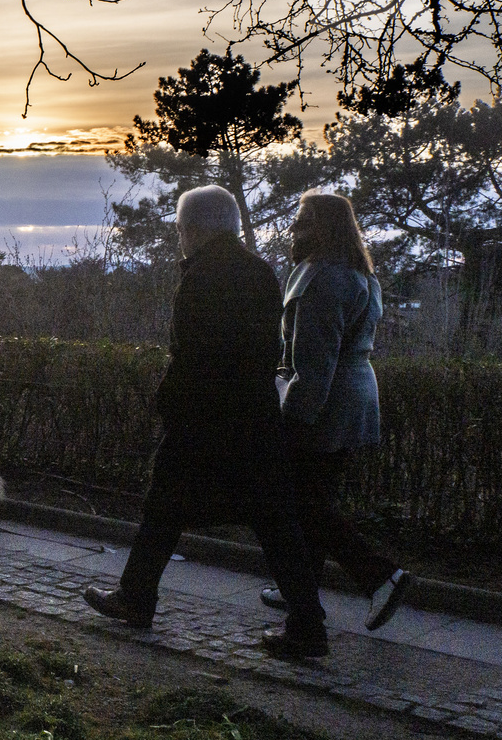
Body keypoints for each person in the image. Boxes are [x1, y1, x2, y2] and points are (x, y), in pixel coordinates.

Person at [83, 185, 329, 658]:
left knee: (163, 509)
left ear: (196, 229)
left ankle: (136, 599)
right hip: (254, 417)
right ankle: (308, 623)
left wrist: (167, 404)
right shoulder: (262, 272)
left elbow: (190, 354)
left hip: (202, 420)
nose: (180, 239)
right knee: (276, 523)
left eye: (180, 230)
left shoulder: (200, 278)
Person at [261, 191, 411, 630]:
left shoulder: (320, 279)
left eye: (303, 220)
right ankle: (298, 592)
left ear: (323, 228)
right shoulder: (359, 274)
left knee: (300, 503)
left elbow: (315, 362)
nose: (292, 229)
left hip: (326, 402)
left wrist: (296, 419)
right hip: (354, 397)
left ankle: (381, 576)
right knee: (314, 498)